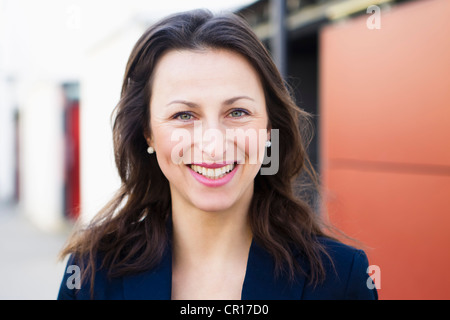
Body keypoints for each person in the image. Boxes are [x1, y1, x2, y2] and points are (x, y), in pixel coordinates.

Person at [57, 9, 378, 300]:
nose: (214, 144)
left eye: (237, 112)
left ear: (269, 129)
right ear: (147, 133)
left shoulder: (341, 278)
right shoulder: (92, 275)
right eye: (184, 115)